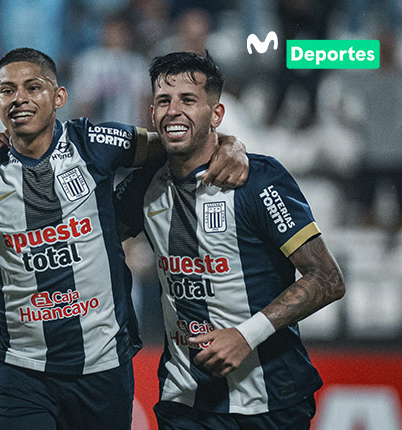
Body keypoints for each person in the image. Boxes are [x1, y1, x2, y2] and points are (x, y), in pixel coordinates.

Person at [0, 47, 248, 430]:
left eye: (32, 87)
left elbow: (180, 143)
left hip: (102, 368)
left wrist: (229, 143)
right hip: (18, 369)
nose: (19, 98)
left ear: (59, 98)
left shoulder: (95, 143)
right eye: (7, 91)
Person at [115, 52, 345, 429]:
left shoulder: (258, 180)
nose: (173, 111)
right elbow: (89, 233)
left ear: (216, 115)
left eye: (188, 100)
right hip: (185, 402)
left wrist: (245, 335)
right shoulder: (144, 185)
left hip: (270, 400)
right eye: (163, 101)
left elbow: (327, 279)